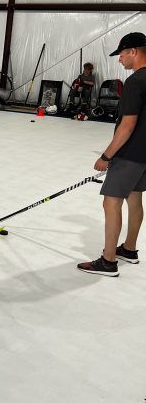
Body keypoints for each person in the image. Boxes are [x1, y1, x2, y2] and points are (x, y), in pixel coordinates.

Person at [78, 32, 146, 276]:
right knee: (135, 199)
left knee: (111, 202)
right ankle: (129, 249)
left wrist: (105, 157)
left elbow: (127, 125)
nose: (119, 60)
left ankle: (108, 261)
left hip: (129, 154)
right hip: (144, 156)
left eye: (121, 54)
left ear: (134, 52)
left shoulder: (136, 81)